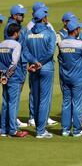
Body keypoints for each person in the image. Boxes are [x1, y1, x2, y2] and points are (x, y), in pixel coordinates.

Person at [25, 8, 56, 138]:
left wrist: (34, 62)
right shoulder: (49, 33)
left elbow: (25, 52)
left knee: (36, 98)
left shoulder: (28, 33)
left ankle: (39, 127)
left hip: (33, 68)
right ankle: (41, 131)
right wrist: (41, 63)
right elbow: (50, 52)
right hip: (46, 68)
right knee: (44, 99)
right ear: (44, 18)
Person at [58, 18, 82, 137]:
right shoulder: (80, 44)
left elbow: (60, 58)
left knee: (66, 103)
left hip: (65, 77)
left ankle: (65, 129)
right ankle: (77, 130)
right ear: (75, 30)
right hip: (78, 78)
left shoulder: (61, 44)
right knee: (77, 103)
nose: (80, 30)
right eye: (79, 29)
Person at [4, 4, 34, 129]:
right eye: (21, 14)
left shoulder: (14, 26)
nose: (23, 16)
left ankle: (7, 122)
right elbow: (17, 48)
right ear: (14, 15)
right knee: (13, 96)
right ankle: (12, 123)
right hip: (16, 65)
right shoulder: (11, 27)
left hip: (16, 64)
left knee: (9, 96)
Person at [0, 23, 28, 137]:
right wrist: (7, 75)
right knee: (13, 104)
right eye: (19, 32)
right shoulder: (16, 45)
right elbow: (14, 62)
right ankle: (13, 129)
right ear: (16, 33)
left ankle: (3, 129)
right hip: (13, 78)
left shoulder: (1, 44)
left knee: (5, 102)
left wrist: (3, 75)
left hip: (3, 77)